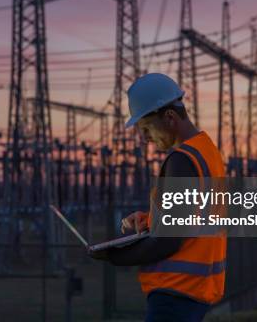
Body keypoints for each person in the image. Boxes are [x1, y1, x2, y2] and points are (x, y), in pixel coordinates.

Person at [89, 73, 227, 322]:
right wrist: (151, 219)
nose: (145, 139)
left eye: (147, 129)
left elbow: (168, 242)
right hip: (196, 291)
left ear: (170, 118)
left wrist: (114, 255)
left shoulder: (182, 160)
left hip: (174, 294)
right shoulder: (207, 152)